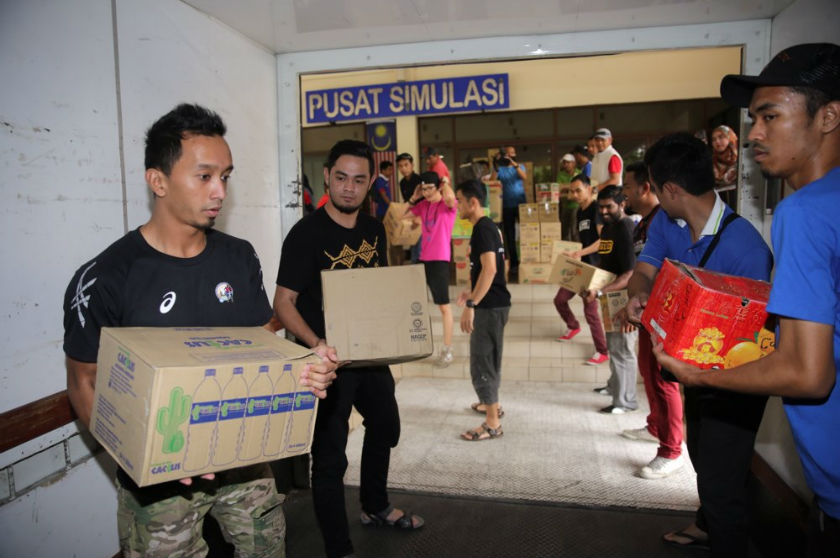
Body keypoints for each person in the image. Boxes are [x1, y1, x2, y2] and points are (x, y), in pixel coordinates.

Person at [63, 104, 337, 558]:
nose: (220, 191)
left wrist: (306, 369)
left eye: (225, 176)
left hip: (244, 461)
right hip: (159, 484)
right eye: (205, 176)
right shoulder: (107, 276)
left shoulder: (239, 257)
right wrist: (143, 456)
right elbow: (83, 381)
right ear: (158, 181)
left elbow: (259, 352)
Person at [659, 42, 840, 557]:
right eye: (753, 118)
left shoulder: (802, 214)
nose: (753, 134)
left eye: (770, 116)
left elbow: (808, 373)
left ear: (828, 117)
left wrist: (698, 375)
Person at [622, 132, 772, 555]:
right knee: (702, 454)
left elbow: (754, 341)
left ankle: (725, 536)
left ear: (671, 189)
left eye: (655, 187)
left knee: (723, 479)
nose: (653, 195)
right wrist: (639, 296)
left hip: (735, 381)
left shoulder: (747, 249)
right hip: (691, 372)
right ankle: (707, 525)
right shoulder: (666, 223)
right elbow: (645, 271)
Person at [273, 139, 423, 558]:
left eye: (359, 180)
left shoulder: (374, 229)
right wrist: (317, 345)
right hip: (327, 365)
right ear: (327, 176)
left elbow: (377, 293)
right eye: (341, 178)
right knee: (329, 460)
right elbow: (283, 303)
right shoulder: (305, 234)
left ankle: (375, 506)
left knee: (386, 426)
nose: (349, 188)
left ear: (370, 182)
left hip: (369, 358)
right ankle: (339, 549)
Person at [617, 162, 684, 479]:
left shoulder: (666, 220)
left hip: (664, 316)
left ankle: (672, 451)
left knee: (663, 380)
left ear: (646, 188)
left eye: (627, 187)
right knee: (648, 373)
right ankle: (656, 426)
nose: (624, 194)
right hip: (646, 312)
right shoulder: (644, 223)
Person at [455, 179, 511, 441]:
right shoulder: (490, 227)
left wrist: (472, 303)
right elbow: (495, 269)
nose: (457, 206)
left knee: (482, 361)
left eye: (459, 201)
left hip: (489, 307)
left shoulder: (483, 229)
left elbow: (490, 269)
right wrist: (472, 291)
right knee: (488, 359)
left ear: (473, 202)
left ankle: (492, 424)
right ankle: (491, 405)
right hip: (494, 302)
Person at [584, 186, 638, 414]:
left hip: (625, 297)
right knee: (614, 345)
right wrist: (590, 282)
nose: (604, 211)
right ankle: (614, 386)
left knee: (623, 349)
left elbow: (630, 273)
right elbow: (605, 262)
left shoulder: (626, 228)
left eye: (609, 207)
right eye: (601, 207)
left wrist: (600, 291)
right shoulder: (607, 228)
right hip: (610, 293)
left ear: (622, 204)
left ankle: (625, 401)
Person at [554, 174, 609, 365]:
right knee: (560, 299)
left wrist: (580, 252)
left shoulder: (597, 209)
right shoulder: (579, 212)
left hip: (595, 267)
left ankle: (602, 351)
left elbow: (603, 241)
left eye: (578, 190)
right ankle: (573, 325)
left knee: (590, 311)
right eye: (572, 191)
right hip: (581, 265)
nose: (575, 195)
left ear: (589, 189)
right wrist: (573, 252)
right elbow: (583, 241)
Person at [406, 171, 458, 367]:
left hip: (440, 260)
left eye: (430, 188)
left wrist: (445, 183)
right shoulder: (423, 205)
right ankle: (418, 345)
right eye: (424, 189)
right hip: (423, 259)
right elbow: (402, 215)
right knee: (417, 305)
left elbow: (451, 198)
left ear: (438, 187)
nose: (426, 192)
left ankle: (447, 350)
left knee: (444, 306)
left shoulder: (447, 206)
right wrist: (414, 197)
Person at [491, 145, 527, 274]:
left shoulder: (520, 166)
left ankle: (526, 261)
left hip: (521, 204)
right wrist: (496, 165)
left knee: (526, 233)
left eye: (512, 153)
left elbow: (524, 177)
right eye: (508, 153)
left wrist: (514, 164)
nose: (510, 155)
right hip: (506, 205)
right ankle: (514, 264)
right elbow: (492, 181)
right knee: (510, 236)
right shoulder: (500, 169)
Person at [397, 152, 423, 263]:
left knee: (420, 249)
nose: (403, 168)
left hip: (423, 218)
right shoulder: (402, 183)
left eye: (406, 165)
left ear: (412, 165)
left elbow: (426, 201)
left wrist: (420, 217)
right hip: (411, 217)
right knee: (413, 244)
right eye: (400, 166)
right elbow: (407, 201)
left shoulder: (420, 180)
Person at [711, 124, 739, 207]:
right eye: (714, 139)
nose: (717, 142)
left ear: (730, 137)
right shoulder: (710, 163)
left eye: (721, 137)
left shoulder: (741, 161)